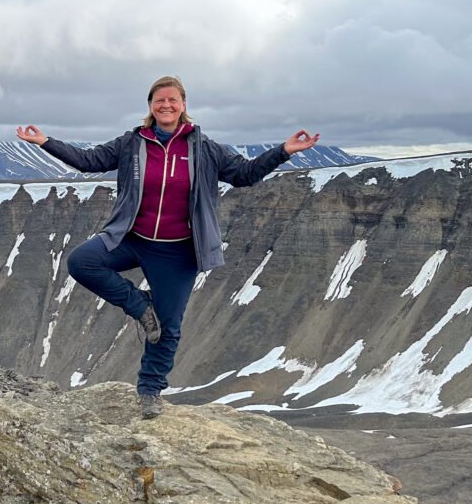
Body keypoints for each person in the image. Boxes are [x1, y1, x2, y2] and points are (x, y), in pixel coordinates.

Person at [16, 75, 319, 419]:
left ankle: (149, 391)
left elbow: (244, 174)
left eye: (173, 100)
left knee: (169, 327)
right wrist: (44, 142)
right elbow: (89, 161)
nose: (166, 105)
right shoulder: (133, 143)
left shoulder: (203, 148)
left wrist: (283, 152)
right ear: (150, 106)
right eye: (159, 100)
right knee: (82, 262)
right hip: (131, 238)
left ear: (183, 106)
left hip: (177, 251)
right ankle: (140, 305)